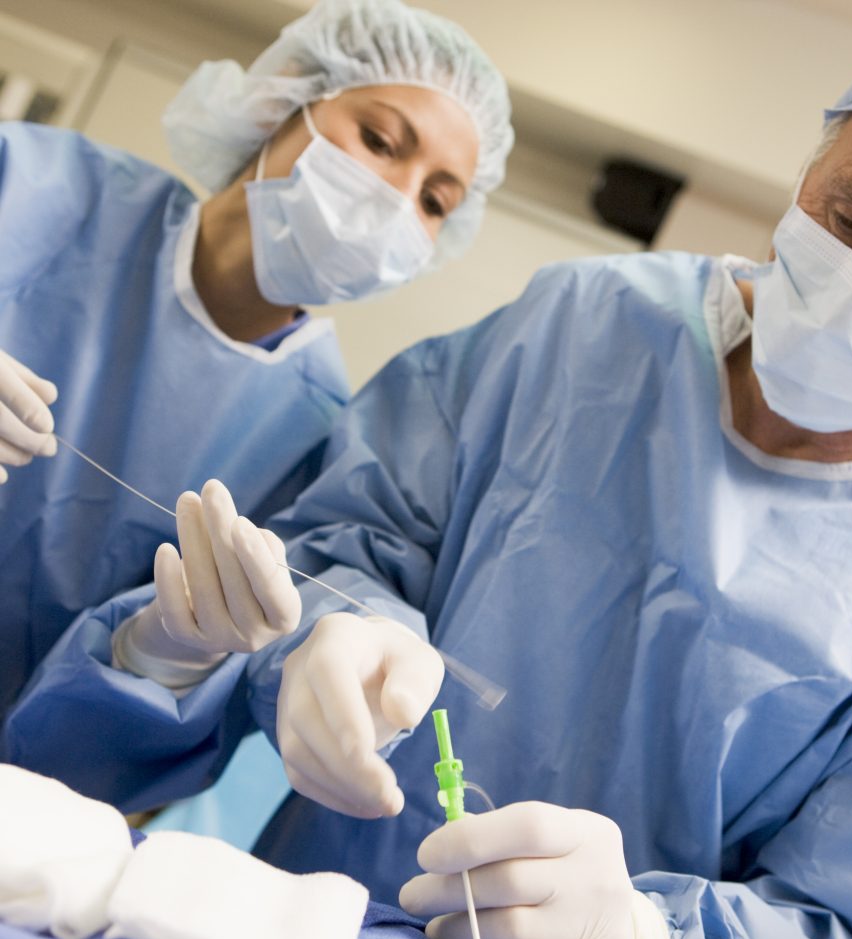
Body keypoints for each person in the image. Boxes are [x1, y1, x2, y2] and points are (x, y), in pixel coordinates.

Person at [8, 0, 852, 939]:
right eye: (849, 220)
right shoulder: (586, 322)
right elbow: (348, 536)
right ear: (807, 171)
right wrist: (339, 630)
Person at [0, 0, 513, 723]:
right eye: (379, 140)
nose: (396, 202)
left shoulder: (319, 442)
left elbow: (150, 747)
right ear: (285, 101)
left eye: (435, 200)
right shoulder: (35, 187)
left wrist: (159, 663)